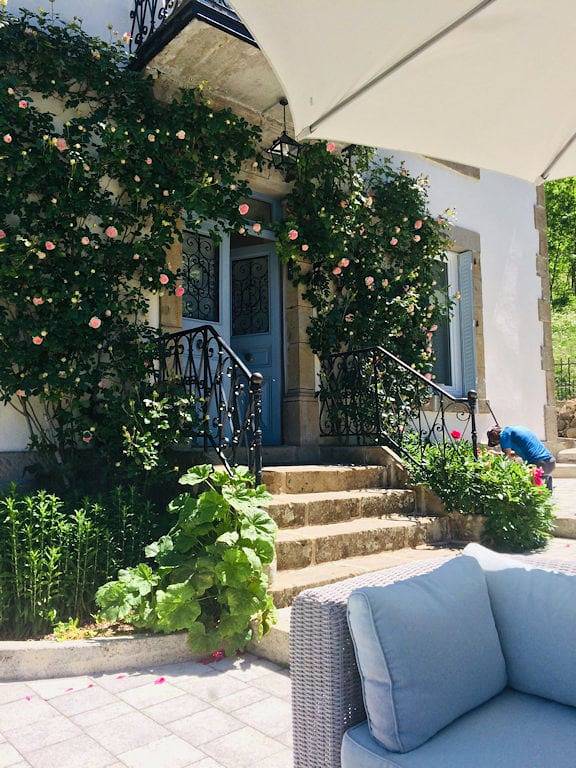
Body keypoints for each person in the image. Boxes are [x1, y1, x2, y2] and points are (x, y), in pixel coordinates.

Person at [486, 425, 555, 490]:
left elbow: (508, 459)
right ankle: (546, 479)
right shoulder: (516, 429)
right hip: (550, 462)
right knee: (543, 493)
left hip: (537, 463)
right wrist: (497, 454)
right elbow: (515, 454)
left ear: (496, 438)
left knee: (528, 489)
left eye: (497, 443)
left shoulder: (504, 435)